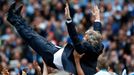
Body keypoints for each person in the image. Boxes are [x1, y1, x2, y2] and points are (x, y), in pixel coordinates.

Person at [7, 1, 104, 75]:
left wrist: (69, 20)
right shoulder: (97, 47)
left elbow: (74, 37)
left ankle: (13, 19)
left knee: (31, 37)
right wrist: (97, 18)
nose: (83, 38)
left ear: (88, 42)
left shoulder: (83, 48)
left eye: (85, 38)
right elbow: (97, 33)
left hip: (53, 57)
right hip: (59, 51)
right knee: (33, 35)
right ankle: (17, 17)